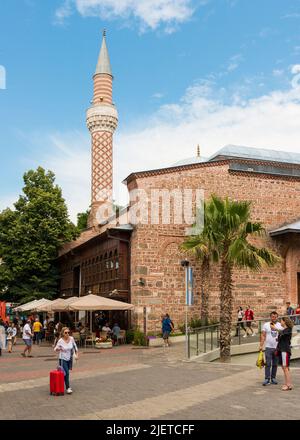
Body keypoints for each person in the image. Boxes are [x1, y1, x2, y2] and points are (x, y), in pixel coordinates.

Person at [259, 311, 283, 386]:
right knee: (268, 363)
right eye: (272, 317)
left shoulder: (280, 325)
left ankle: (273, 378)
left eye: (275, 317)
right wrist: (261, 345)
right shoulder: (266, 325)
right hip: (268, 347)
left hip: (277, 348)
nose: (274, 318)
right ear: (270, 317)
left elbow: (283, 335)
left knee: (275, 364)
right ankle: (267, 378)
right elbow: (263, 335)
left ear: (277, 317)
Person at [271, 316, 294, 391]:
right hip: (281, 350)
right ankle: (288, 383)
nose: (280, 322)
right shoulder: (284, 330)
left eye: (281, 321)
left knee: (285, 367)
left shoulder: (288, 330)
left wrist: (275, 329)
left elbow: (282, 333)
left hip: (285, 350)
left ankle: (288, 385)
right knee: (284, 367)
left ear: (284, 321)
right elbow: (281, 337)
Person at [54, 327, 79, 394]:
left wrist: (77, 355)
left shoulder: (71, 339)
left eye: (68, 332)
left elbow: (75, 347)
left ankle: (59, 385)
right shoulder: (60, 341)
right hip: (62, 359)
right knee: (66, 373)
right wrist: (59, 349)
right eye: (65, 332)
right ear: (62, 333)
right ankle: (68, 388)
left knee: (65, 373)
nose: (67, 334)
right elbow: (55, 349)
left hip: (69, 359)